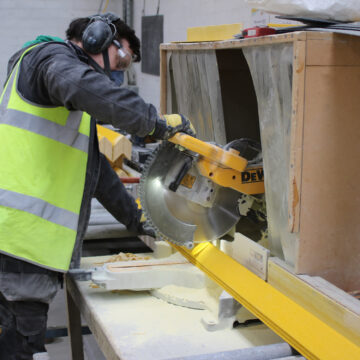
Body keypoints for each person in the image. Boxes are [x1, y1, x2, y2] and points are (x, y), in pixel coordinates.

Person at [0, 12, 195, 360]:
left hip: (28, 247)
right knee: (17, 346)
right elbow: (79, 84)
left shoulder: (67, 99)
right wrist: (155, 123)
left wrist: (139, 220)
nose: (118, 73)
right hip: (16, 242)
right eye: (121, 60)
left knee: (23, 342)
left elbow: (97, 173)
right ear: (96, 40)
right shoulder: (48, 59)